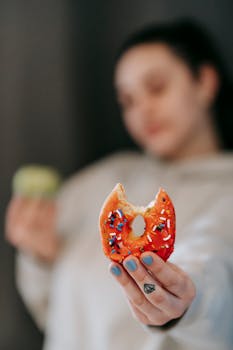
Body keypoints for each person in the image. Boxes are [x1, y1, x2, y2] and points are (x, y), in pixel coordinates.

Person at [5, 18, 233, 350]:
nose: (143, 111)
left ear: (205, 82)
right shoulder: (95, 183)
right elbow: (50, 311)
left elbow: (214, 262)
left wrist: (185, 302)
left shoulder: (226, 190)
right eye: (128, 100)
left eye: (156, 88)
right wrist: (39, 258)